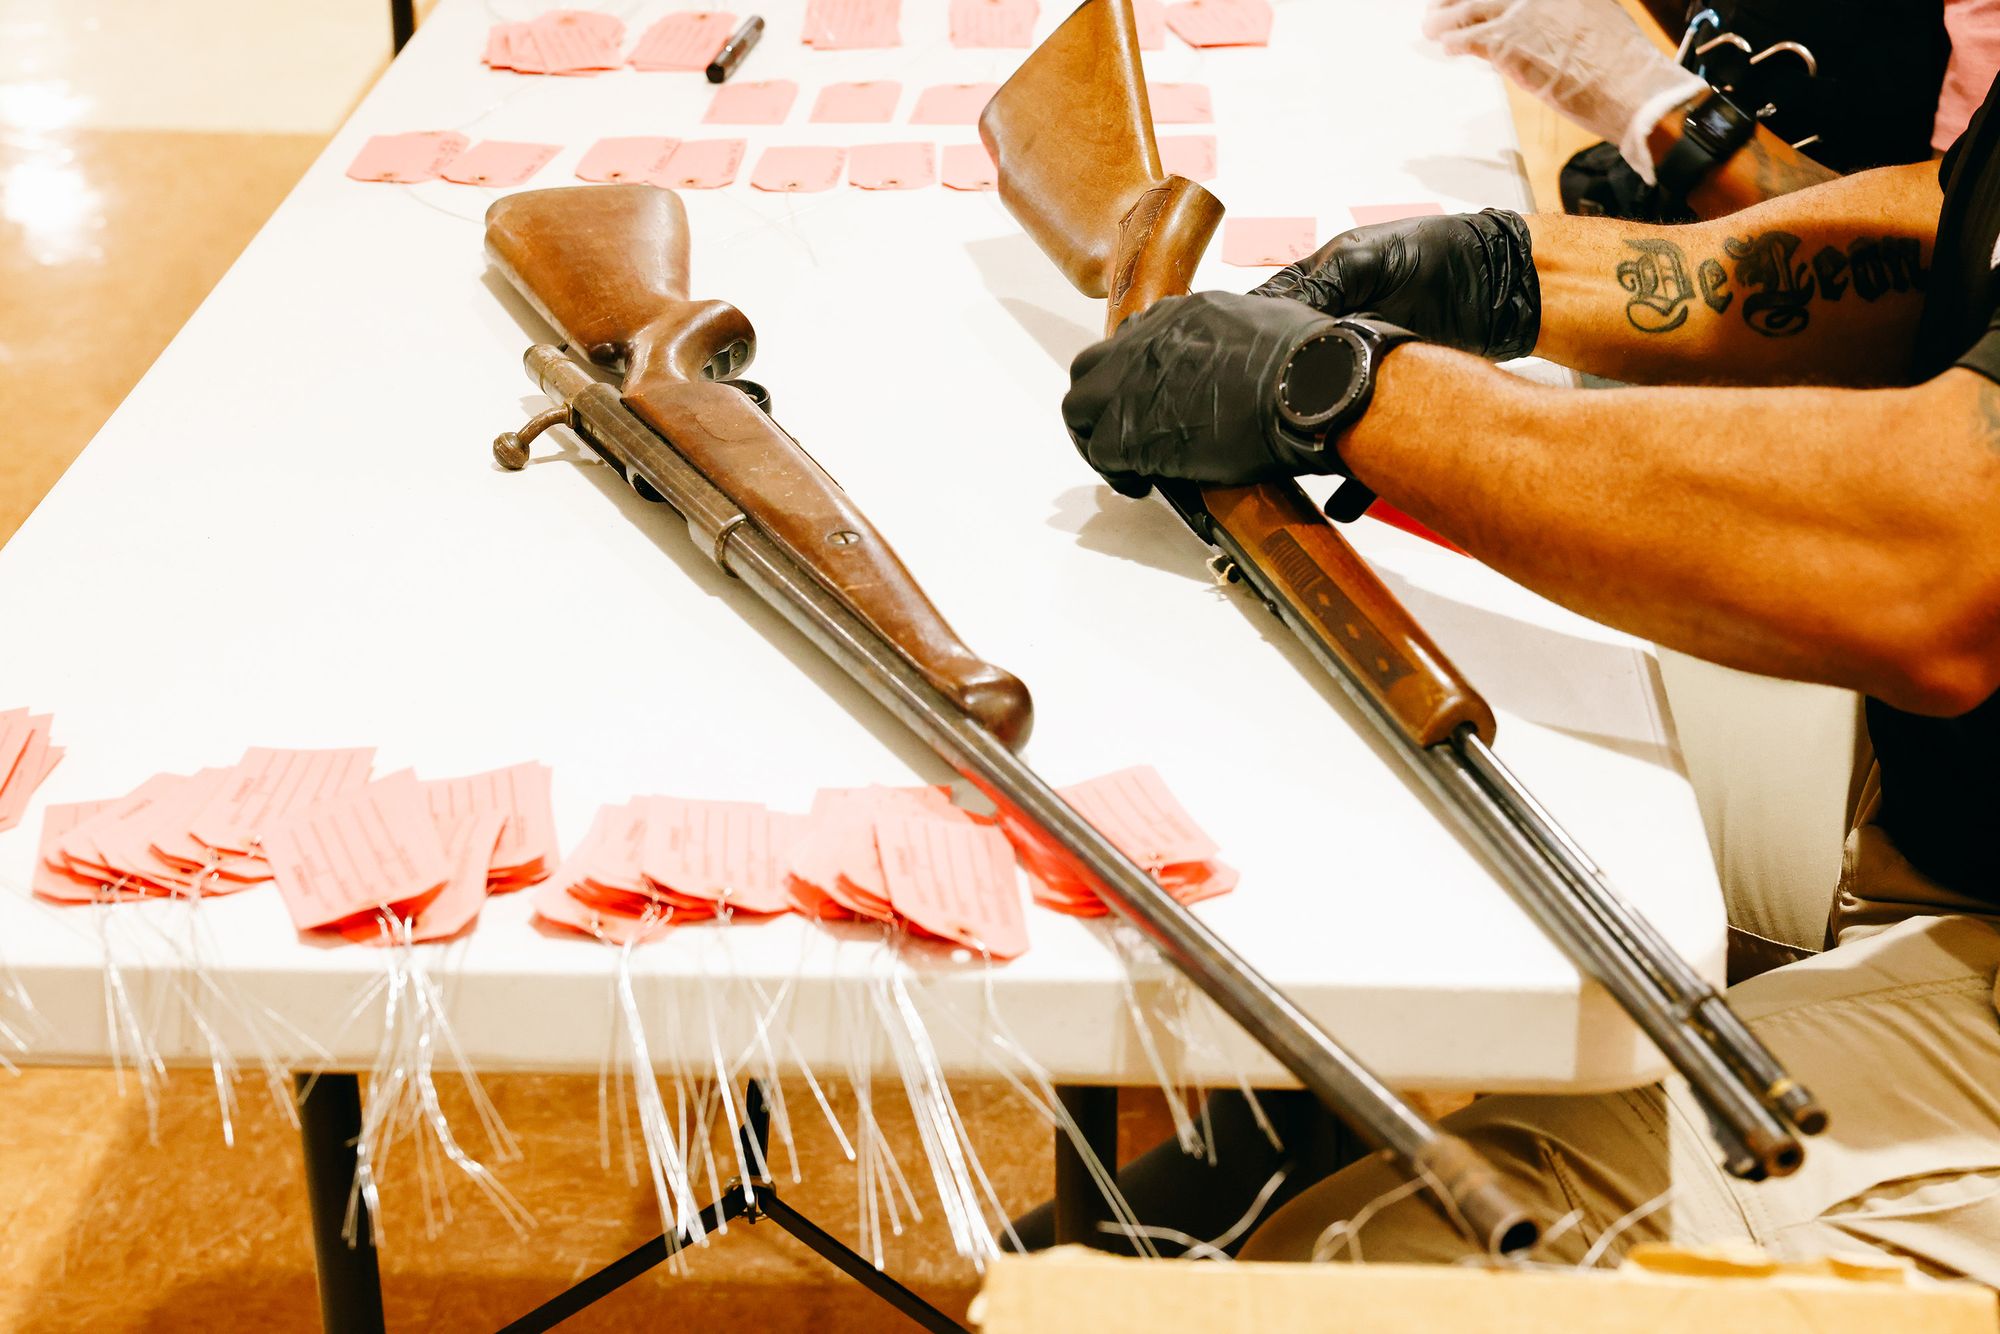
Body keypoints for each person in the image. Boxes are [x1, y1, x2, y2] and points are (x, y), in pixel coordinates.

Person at [1056, 61, 2000, 1281]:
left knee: (1330, 1275)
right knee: (1316, 756)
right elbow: (1954, 222)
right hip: (1926, 810)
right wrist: (1507, 273)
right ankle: (1238, 1163)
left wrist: (1338, 386)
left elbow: (1936, 568)